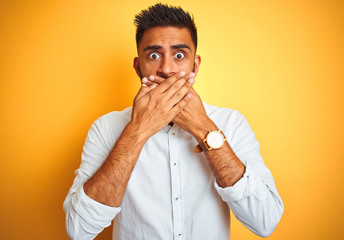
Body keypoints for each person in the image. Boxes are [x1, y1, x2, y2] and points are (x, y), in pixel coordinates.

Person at [63, 3, 284, 240]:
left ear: (195, 66)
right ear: (138, 67)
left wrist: (204, 128)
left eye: (179, 55)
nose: (167, 69)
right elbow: (79, 230)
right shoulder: (106, 128)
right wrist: (137, 131)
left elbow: (265, 221)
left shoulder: (231, 123)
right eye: (154, 55)